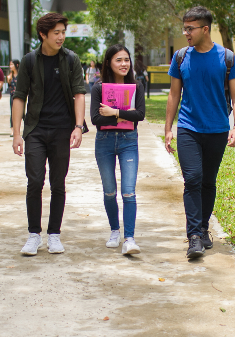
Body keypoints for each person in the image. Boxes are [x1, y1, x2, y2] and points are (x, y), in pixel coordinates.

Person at [165, 6, 235, 259]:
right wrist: (168, 128)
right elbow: (174, 94)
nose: (186, 33)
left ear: (205, 29)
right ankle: (194, 236)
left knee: (208, 181)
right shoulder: (180, 57)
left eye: (191, 28)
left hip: (218, 129)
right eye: (184, 28)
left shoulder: (226, 58)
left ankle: (203, 227)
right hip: (188, 127)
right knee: (193, 179)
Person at [11, 13, 87, 256]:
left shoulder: (71, 60)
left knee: (58, 183)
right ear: (43, 35)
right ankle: (34, 235)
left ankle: (54, 234)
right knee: (34, 181)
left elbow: (79, 94)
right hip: (35, 129)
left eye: (63, 32)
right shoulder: (30, 61)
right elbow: (19, 97)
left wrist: (78, 126)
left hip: (62, 130)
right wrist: (16, 134)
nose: (61, 37)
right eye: (56, 33)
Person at [91, 44, 145, 255]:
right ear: (109, 63)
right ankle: (115, 230)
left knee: (129, 191)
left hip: (129, 141)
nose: (124, 64)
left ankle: (129, 239)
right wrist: (125, 113)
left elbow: (139, 115)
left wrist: (113, 111)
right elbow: (96, 118)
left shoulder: (137, 86)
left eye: (126, 60)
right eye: (118, 60)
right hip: (104, 141)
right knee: (109, 190)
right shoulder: (98, 88)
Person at [7, 59, 20, 137]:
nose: (10, 66)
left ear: (17, 65)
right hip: (12, 96)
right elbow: (9, 87)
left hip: (20, 96)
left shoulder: (21, 75)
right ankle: (13, 130)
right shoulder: (9, 76)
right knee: (12, 113)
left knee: (21, 114)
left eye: (12, 64)